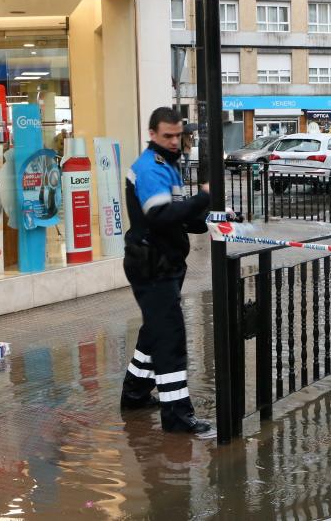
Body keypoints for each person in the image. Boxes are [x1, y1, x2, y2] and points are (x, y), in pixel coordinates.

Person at [120, 107, 212, 434]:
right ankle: (177, 418)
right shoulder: (150, 167)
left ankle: (134, 395)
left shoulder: (167, 165)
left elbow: (177, 215)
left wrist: (205, 218)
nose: (175, 142)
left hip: (163, 264)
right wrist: (204, 197)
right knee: (169, 339)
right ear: (152, 134)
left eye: (178, 135)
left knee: (154, 332)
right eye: (168, 136)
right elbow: (159, 216)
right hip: (152, 266)